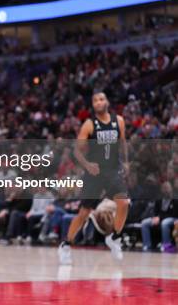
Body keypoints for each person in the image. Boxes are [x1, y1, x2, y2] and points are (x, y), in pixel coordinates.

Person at [58, 91, 129, 264]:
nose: (99, 102)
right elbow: (76, 150)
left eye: (101, 99)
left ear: (107, 102)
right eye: (95, 100)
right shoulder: (89, 125)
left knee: (124, 203)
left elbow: (123, 143)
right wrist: (88, 165)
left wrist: (126, 163)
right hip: (94, 174)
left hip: (112, 171)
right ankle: (66, 245)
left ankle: (115, 238)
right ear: (93, 105)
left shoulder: (118, 121)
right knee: (83, 213)